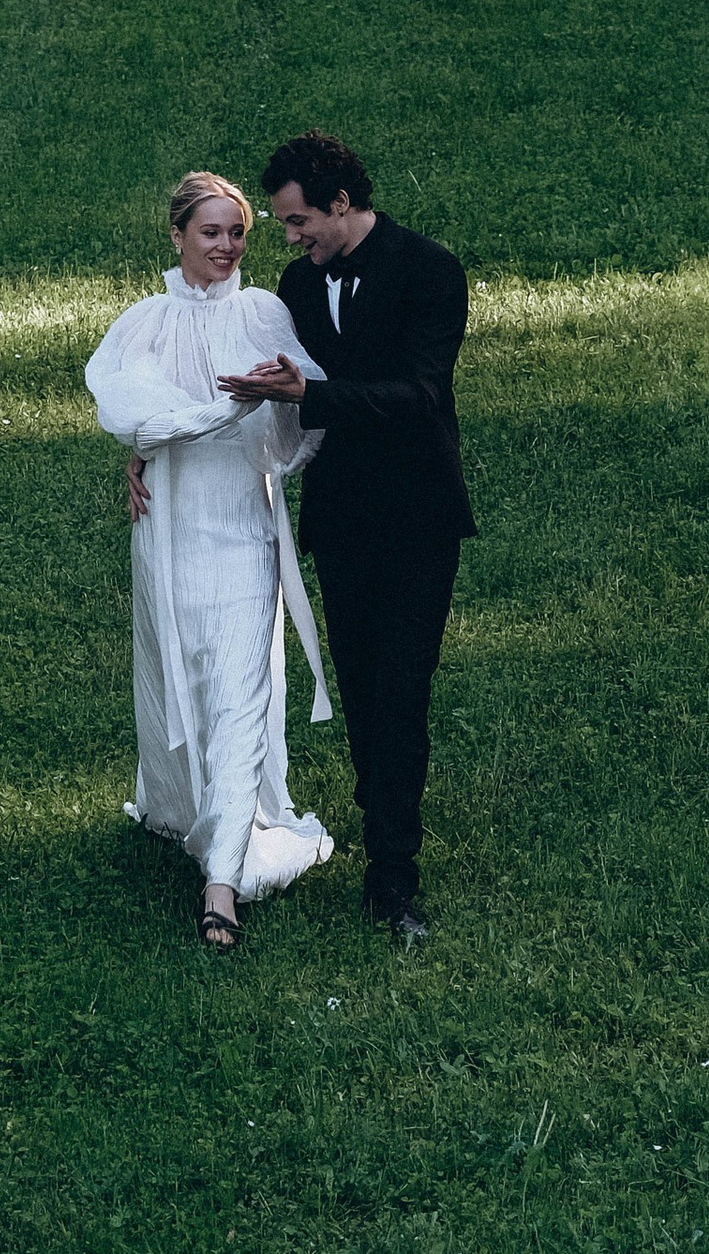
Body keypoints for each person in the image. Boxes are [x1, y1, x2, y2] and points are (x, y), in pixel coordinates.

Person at [217, 131, 473, 944]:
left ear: (340, 202)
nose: (290, 241)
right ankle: (381, 829)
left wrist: (316, 394)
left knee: (401, 691)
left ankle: (393, 883)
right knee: (363, 692)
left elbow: (420, 394)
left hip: (417, 519)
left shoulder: (429, 270)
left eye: (298, 223)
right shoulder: (299, 283)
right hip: (343, 521)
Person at [84, 173, 335, 951]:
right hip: (169, 530)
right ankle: (184, 808)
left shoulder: (263, 312)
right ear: (177, 236)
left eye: (237, 234)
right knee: (183, 673)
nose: (226, 248)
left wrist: (275, 398)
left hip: (241, 528)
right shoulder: (145, 324)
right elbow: (126, 409)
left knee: (239, 688)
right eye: (211, 233)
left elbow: (303, 407)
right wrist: (169, 436)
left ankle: (221, 879)